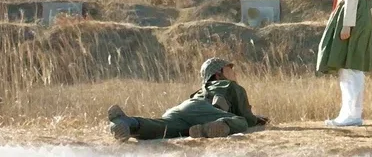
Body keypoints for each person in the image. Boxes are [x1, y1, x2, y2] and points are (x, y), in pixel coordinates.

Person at [107, 57, 269, 141]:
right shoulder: (229, 85)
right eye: (229, 69)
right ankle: (206, 130)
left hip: (182, 109)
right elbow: (246, 118)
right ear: (218, 73)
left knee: (160, 128)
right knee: (240, 122)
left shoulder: (201, 90)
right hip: (204, 111)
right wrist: (257, 119)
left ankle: (127, 122)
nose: (234, 73)